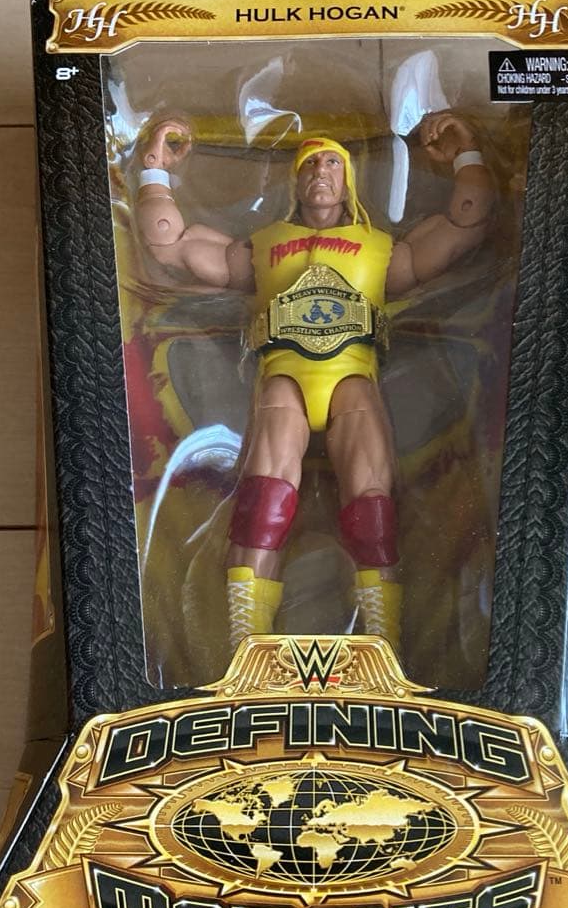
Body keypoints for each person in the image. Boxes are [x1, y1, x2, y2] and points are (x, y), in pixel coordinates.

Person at [133, 113, 494, 651]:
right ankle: (246, 642)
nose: (319, 172)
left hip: (352, 377)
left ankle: (383, 642)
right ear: (295, 181)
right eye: (308, 164)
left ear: (347, 179)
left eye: (330, 162)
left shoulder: (380, 247)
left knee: (372, 508)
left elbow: (467, 222)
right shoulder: (262, 246)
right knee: (263, 500)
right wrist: (153, 168)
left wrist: (467, 153)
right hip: (284, 376)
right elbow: (169, 242)